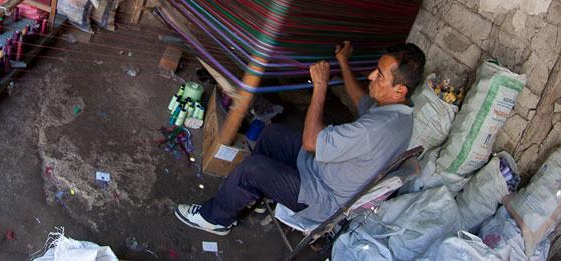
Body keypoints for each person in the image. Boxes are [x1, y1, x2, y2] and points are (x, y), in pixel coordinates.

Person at [175, 41, 425, 236]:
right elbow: (362, 100)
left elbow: (310, 142)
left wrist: (320, 87)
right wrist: (343, 61)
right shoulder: (400, 112)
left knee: (253, 168)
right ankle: (258, 196)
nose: (371, 76)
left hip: (320, 196)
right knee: (273, 135)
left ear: (399, 89)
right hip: (324, 171)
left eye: (379, 75)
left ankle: (216, 219)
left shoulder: (374, 130)